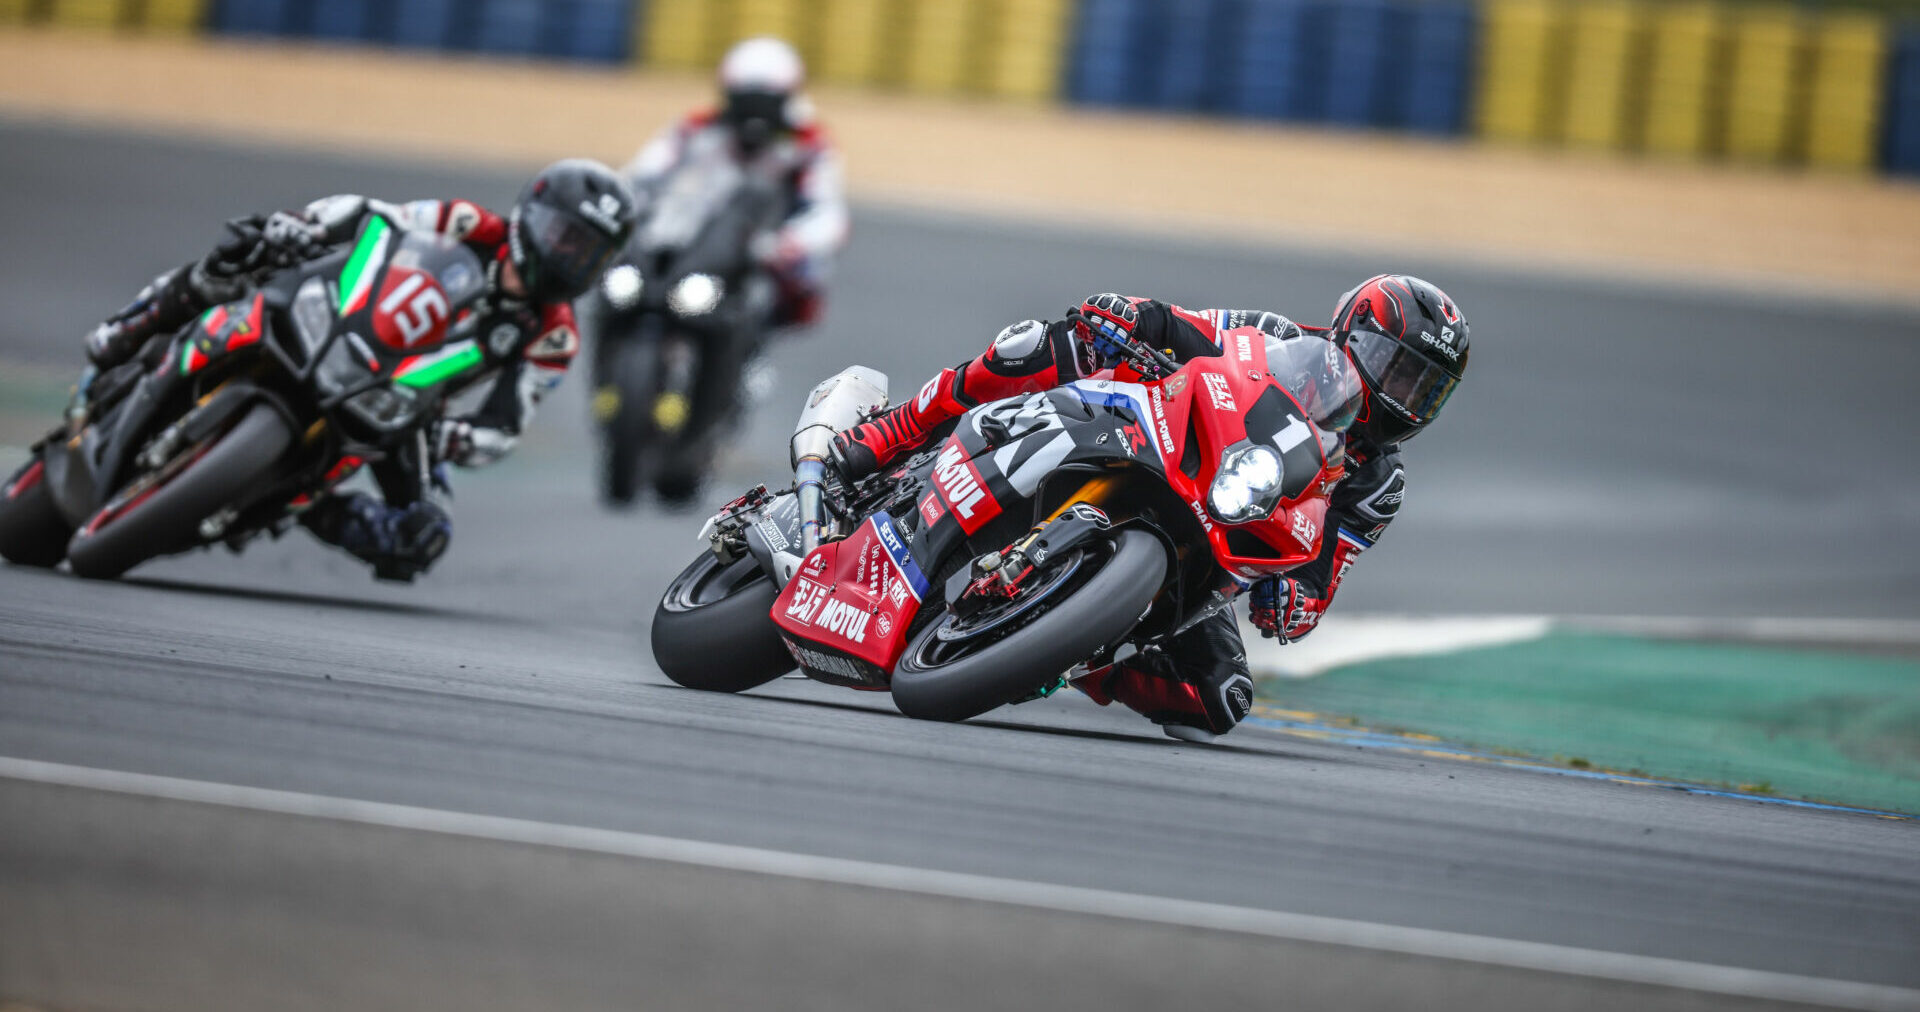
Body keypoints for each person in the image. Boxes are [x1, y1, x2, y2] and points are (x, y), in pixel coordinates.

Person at [831, 277, 1470, 741]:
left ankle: (1063, 647)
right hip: (1151, 440)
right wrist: (1130, 317)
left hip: (1212, 548)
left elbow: (1320, 575)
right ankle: (897, 430)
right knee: (1040, 344)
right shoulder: (1277, 340)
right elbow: (1179, 326)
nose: (1400, 395)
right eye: (1394, 368)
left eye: (1423, 389)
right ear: (1350, 333)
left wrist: (1296, 602)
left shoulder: (1376, 487)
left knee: (1220, 699)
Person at [80, 159, 639, 581]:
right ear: (532, 215)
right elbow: (376, 217)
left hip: (404, 405)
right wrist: (302, 227)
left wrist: (454, 439)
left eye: (589, 253)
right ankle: (131, 327)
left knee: (423, 536)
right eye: (566, 239)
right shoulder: (467, 223)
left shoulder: (554, 334)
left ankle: (306, 507)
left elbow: (505, 425)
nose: (570, 258)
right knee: (238, 253)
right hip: (343, 324)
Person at [622, 36, 849, 329]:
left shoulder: (808, 144)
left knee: (802, 285)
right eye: (744, 101)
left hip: (762, 246)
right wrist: (625, 210)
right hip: (691, 236)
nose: (754, 118)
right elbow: (641, 175)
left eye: (765, 103)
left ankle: (754, 343)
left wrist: (790, 244)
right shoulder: (696, 128)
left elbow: (828, 212)